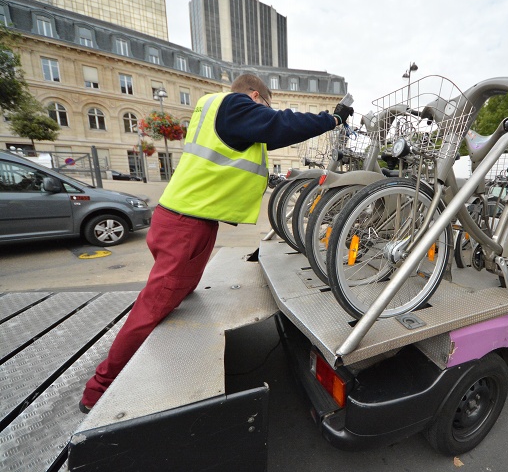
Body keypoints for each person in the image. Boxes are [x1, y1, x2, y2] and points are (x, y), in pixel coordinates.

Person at [79, 74, 353, 413]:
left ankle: (149, 356)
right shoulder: (236, 104)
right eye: (264, 106)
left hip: (183, 217)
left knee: (179, 292)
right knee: (152, 308)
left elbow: (237, 154)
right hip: (186, 224)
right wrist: (333, 118)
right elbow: (279, 125)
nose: (264, 113)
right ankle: (99, 388)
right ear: (255, 96)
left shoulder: (213, 110)